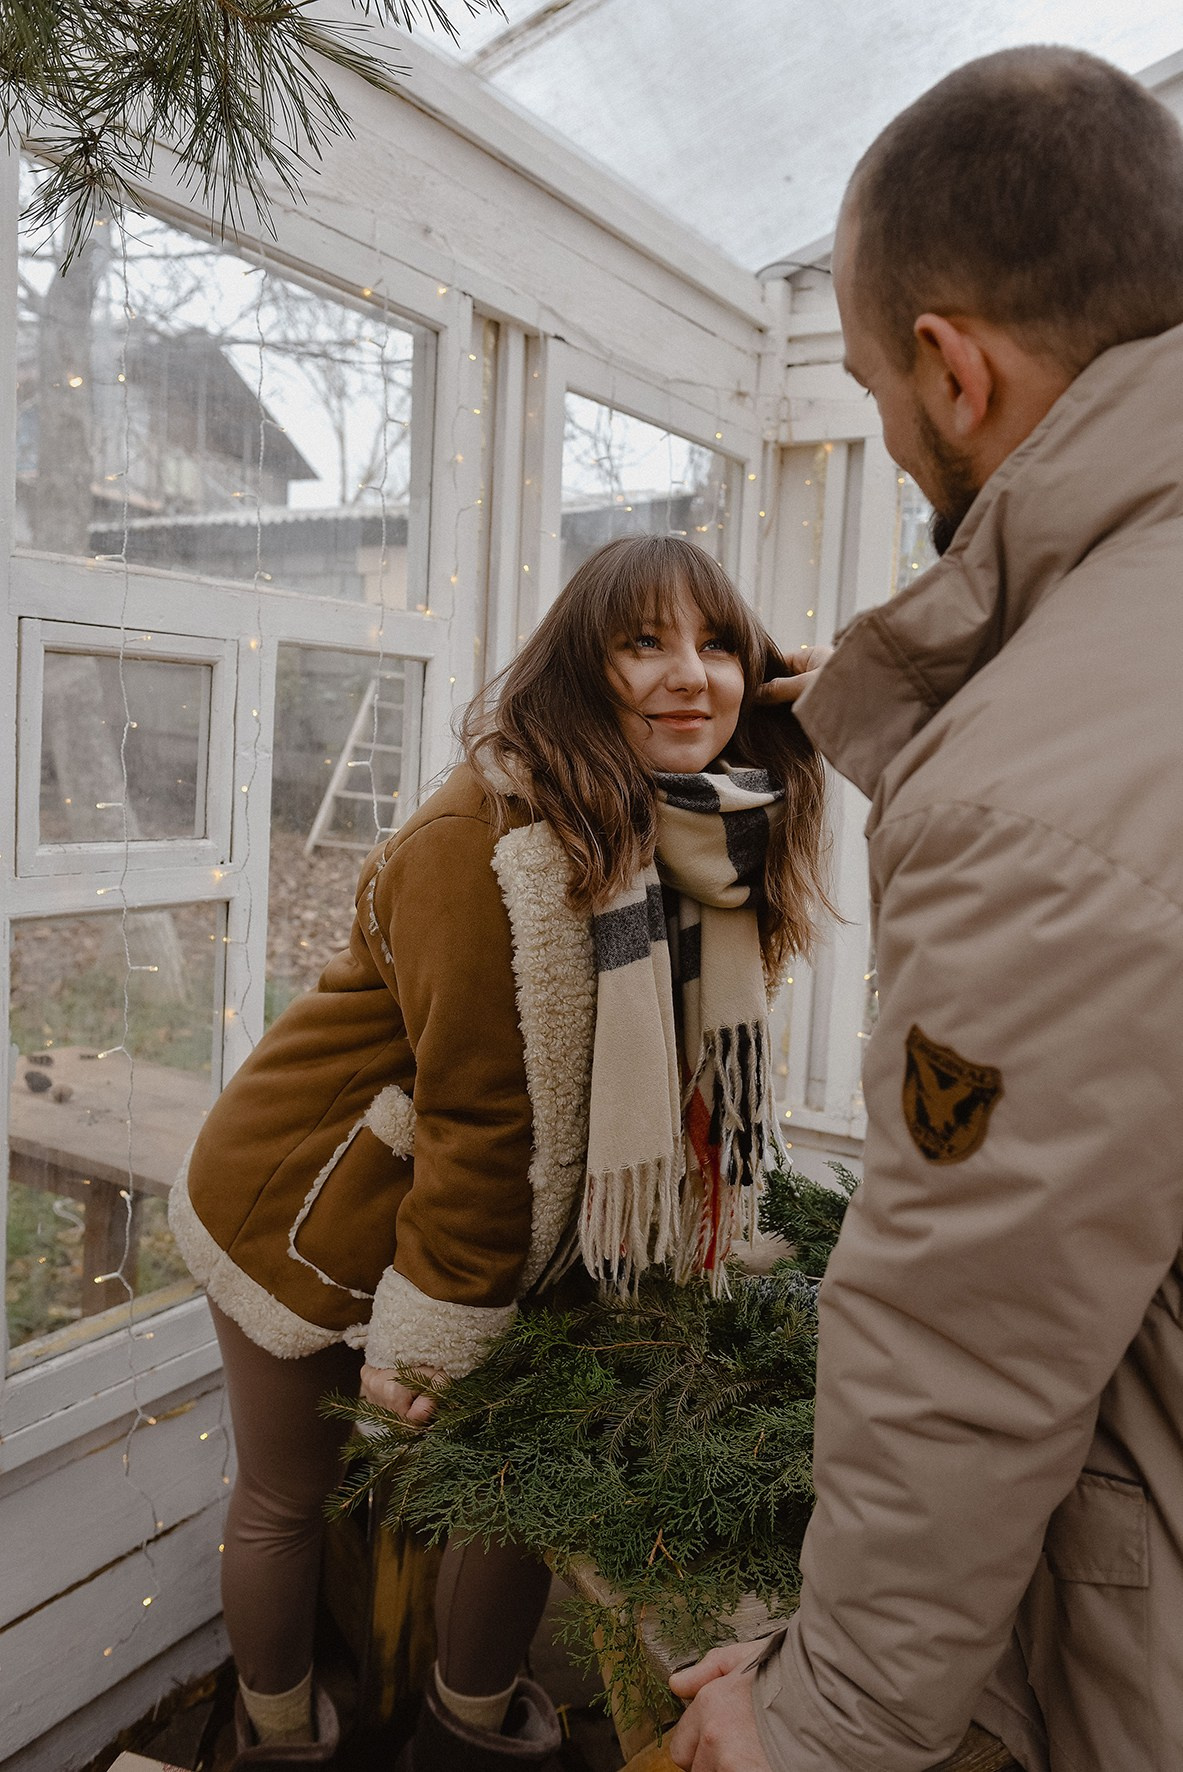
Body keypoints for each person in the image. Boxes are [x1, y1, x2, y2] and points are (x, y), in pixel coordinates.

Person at [666, 44, 1183, 1772]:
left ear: (950, 370)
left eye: (884, 411)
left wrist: (820, 1726)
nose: (899, 453)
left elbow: (971, 1338)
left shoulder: (1041, 794)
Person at [169, 534, 832, 1770]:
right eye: (644, 642)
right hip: (308, 1194)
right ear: (580, 670)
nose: (691, 675)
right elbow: (485, 1118)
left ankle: (467, 1732)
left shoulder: (706, 829)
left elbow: (686, 1083)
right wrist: (431, 1341)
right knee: (284, 1491)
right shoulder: (478, 844)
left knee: (517, 1491)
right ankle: (272, 1737)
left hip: (527, 1216)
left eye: (720, 643)